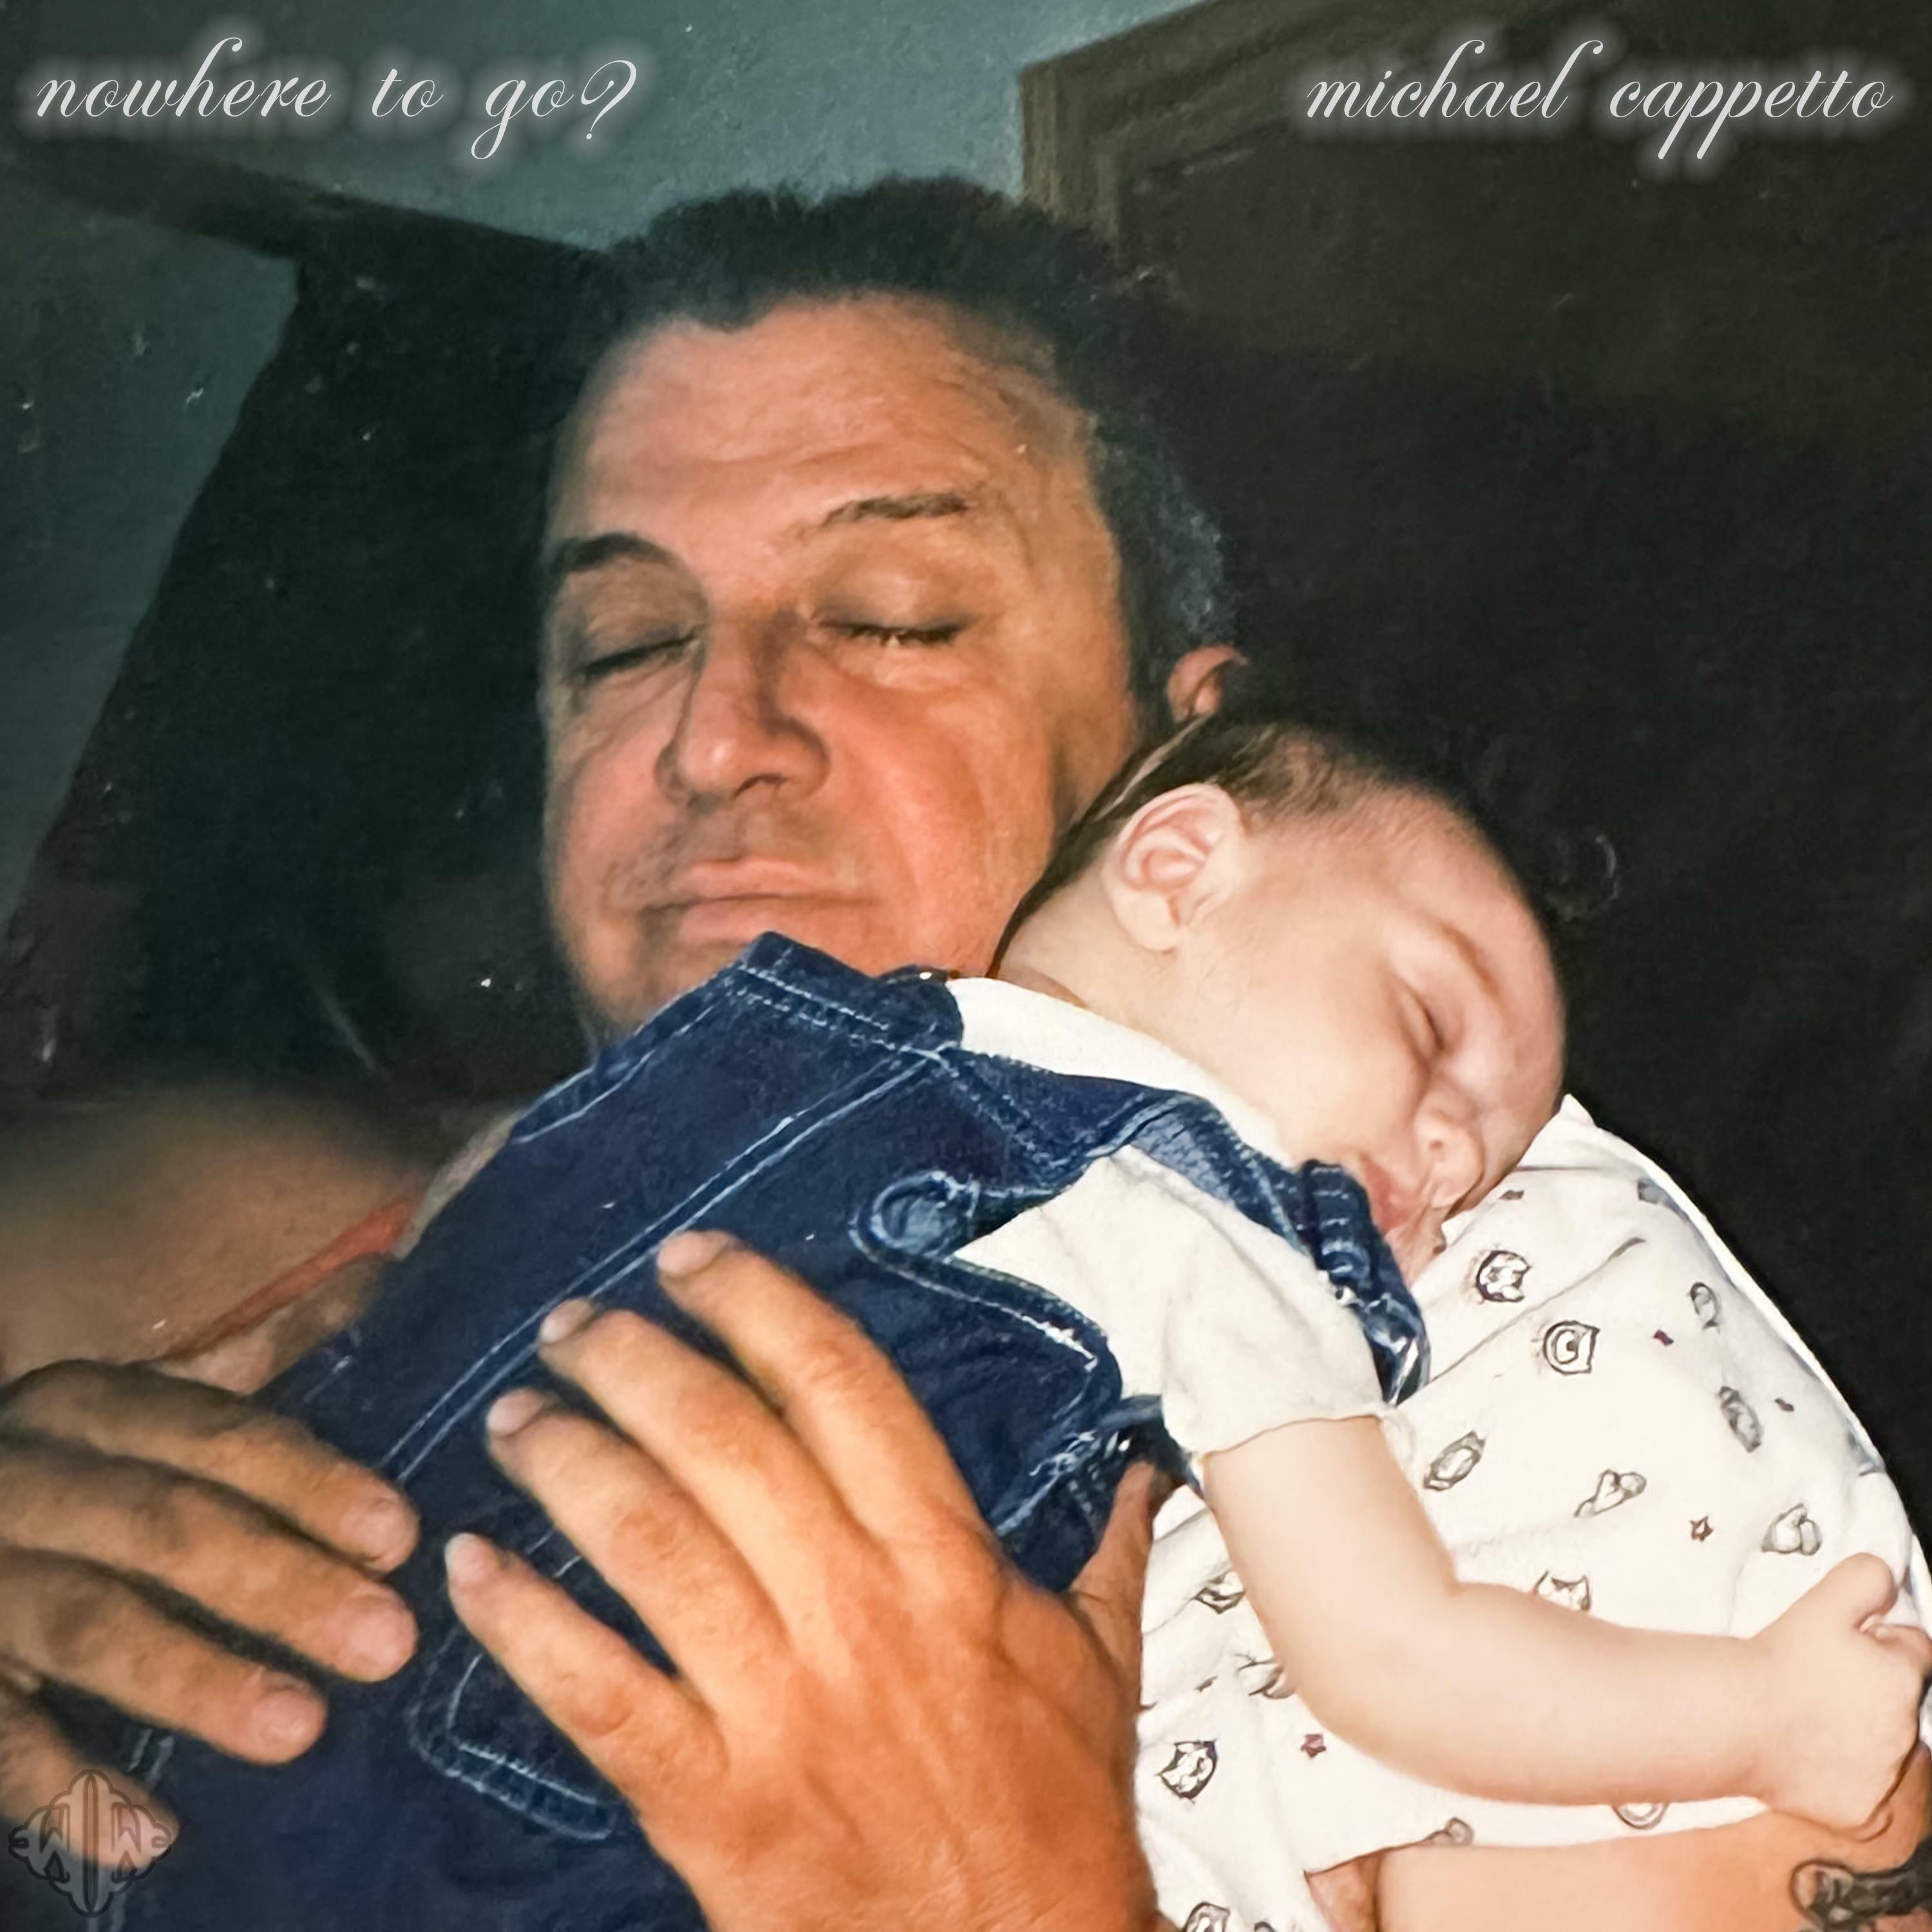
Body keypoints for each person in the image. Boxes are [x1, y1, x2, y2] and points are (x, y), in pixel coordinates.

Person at [0, 180, 1924, 1931]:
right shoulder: (252, 1228)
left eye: (891, 618)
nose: (714, 736)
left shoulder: (1565, 1381)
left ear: (1176, 780)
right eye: (626, 642)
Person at [91, 716, 1929, 1932]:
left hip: (251, 1768)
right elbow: (1400, 1652)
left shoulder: (770, 1040)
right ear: (1178, 864)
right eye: (1436, 1035)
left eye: (1490, 1159)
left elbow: (471, 1228)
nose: (1452, 1159)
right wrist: (1765, 1712)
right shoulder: (1212, 1232)